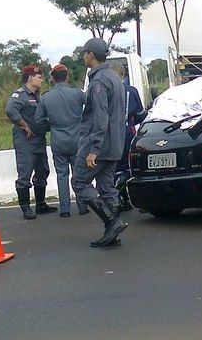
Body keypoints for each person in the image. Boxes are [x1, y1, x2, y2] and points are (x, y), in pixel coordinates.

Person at [71, 38, 127, 248]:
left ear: (91, 55)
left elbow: (100, 117)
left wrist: (93, 149)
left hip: (99, 144)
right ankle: (113, 233)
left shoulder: (98, 82)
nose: (83, 56)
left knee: (79, 182)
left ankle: (112, 222)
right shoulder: (114, 77)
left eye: (85, 53)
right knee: (107, 186)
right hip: (114, 144)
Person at [35, 64, 89, 218]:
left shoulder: (46, 97)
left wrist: (51, 126)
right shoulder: (77, 93)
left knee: (61, 175)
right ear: (67, 76)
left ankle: (65, 209)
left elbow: (38, 120)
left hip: (58, 140)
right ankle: (83, 205)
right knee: (79, 174)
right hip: (77, 139)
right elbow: (92, 107)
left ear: (52, 78)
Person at [5, 65, 57, 219]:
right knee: (24, 175)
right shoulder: (20, 95)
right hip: (25, 142)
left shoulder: (38, 96)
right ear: (30, 78)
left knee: (42, 171)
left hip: (39, 140)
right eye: (39, 77)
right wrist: (23, 124)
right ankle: (26, 207)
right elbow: (10, 109)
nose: (41, 80)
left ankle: (40, 204)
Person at [111, 63, 147, 211]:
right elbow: (140, 114)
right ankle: (123, 192)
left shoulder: (104, 90)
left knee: (113, 166)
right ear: (123, 74)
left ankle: (118, 198)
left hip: (109, 133)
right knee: (128, 165)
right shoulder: (130, 91)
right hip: (127, 131)